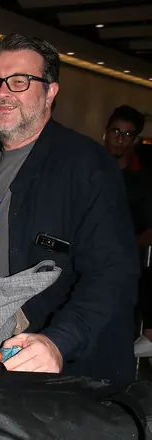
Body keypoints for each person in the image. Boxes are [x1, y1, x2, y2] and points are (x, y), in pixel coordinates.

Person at [0, 33, 139, 384]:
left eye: (19, 82)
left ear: (50, 92)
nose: (2, 93)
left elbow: (113, 274)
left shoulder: (85, 165)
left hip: (42, 362)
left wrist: (58, 341)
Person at [103, 105, 152, 357]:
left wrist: (126, 246)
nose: (120, 139)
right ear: (106, 133)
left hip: (125, 268)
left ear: (134, 140)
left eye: (127, 134)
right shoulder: (88, 167)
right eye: (116, 131)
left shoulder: (142, 180)